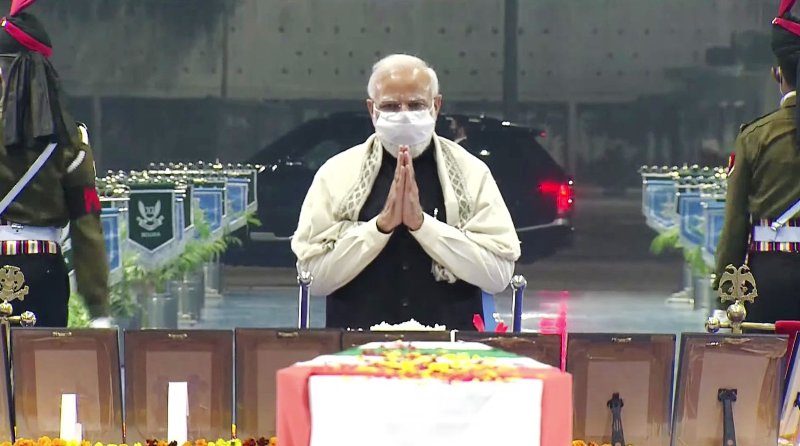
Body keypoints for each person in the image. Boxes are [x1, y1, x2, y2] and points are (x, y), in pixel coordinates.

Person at [292, 54, 521, 330]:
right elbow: (313, 278)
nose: (403, 114)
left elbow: (498, 275)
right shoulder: (336, 174)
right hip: (357, 347)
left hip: (451, 348)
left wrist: (423, 226)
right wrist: (379, 228)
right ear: (372, 110)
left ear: (436, 106)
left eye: (416, 105)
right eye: (390, 106)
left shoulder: (471, 173)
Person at [0, 0, 109, 327]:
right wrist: (98, 309)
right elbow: (86, 227)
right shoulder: (71, 141)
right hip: (44, 271)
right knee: (42, 357)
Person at [714, 0, 800, 323]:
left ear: (778, 73)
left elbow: (736, 226)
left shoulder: (755, 137)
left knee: (767, 355)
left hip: (768, 278)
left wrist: (726, 298)